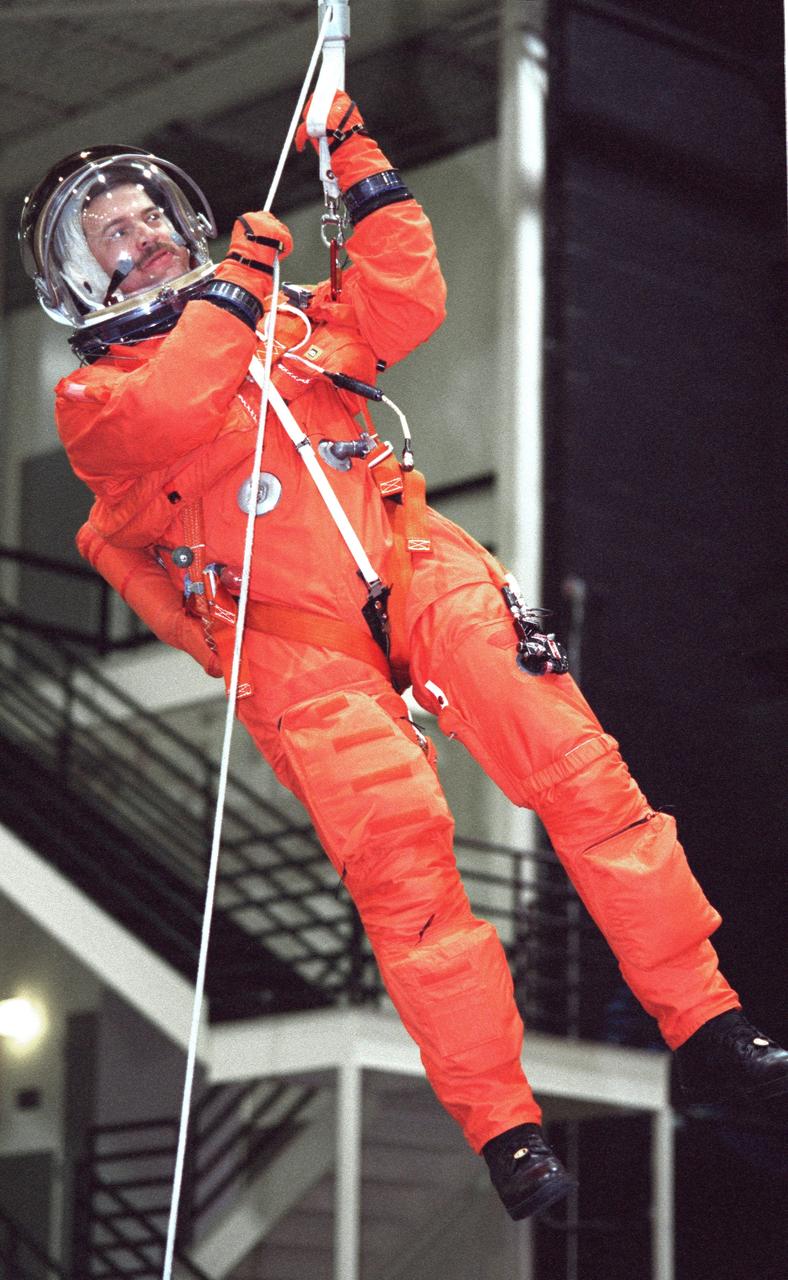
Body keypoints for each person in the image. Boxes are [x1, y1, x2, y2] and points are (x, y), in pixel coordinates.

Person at [19, 92, 787, 1221]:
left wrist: (354, 156)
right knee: (406, 879)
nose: (136, 244)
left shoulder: (287, 318)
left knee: (581, 777)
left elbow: (402, 293)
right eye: (109, 238)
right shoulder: (97, 398)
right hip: (295, 646)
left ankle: (709, 1024)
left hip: (413, 563)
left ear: (181, 222)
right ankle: (504, 1126)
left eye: (144, 220)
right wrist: (233, 290)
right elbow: (169, 414)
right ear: (79, 282)